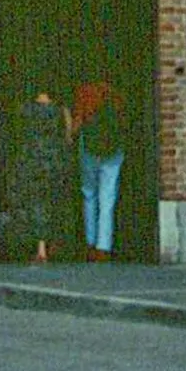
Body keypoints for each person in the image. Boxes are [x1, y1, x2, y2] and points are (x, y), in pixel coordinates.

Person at [70, 77, 126, 259]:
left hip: (90, 150)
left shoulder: (84, 92)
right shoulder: (115, 94)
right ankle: (104, 245)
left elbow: (78, 122)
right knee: (107, 197)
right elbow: (124, 121)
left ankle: (90, 242)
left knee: (88, 194)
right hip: (113, 151)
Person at [16, 88, 71, 265]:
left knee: (36, 203)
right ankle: (53, 242)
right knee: (55, 201)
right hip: (55, 161)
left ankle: (40, 249)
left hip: (33, 160)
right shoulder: (61, 110)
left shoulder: (25, 110)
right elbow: (68, 137)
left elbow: (19, 135)